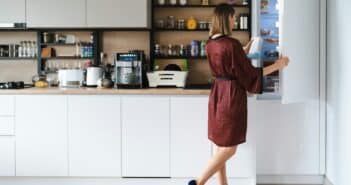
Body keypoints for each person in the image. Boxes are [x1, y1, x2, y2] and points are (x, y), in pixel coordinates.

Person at [188, 3, 289, 185]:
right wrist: (277, 65)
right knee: (229, 149)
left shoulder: (210, 44)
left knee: (220, 145)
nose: (234, 20)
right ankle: (198, 182)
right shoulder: (232, 44)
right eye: (233, 17)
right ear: (227, 19)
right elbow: (249, 73)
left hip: (218, 93)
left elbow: (226, 58)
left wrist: (244, 50)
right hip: (231, 96)